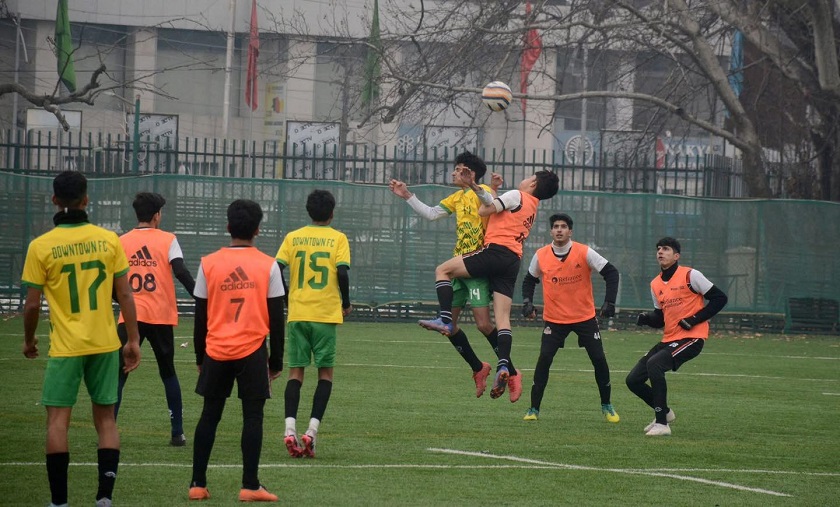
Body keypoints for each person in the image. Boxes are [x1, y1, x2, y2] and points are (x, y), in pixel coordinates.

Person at [21, 170, 142, 507]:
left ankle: (59, 501)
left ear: (54, 200)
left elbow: (32, 305)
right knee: (106, 419)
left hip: (66, 347)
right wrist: (132, 339)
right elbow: (126, 295)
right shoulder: (109, 240)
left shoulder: (41, 246)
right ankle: (104, 497)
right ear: (86, 199)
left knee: (58, 421)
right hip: (105, 344)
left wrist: (29, 340)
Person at [419, 169, 560, 403]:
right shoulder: (533, 206)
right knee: (502, 319)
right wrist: (489, 190)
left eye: (528, 177)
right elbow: (498, 207)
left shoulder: (517, 194)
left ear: (533, 183)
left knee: (442, 270)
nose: (524, 179)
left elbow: (485, 210)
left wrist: (477, 189)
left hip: (494, 252)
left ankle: (444, 318)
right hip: (513, 260)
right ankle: (504, 365)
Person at [389, 151, 511, 398]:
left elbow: (490, 200)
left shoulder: (483, 191)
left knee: (483, 324)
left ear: (470, 173)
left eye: (458, 169)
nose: (453, 173)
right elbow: (432, 213)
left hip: (477, 265)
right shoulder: (457, 197)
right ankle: (478, 368)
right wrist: (407, 195)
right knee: (449, 328)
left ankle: (510, 370)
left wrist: (479, 185)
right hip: (459, 264)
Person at [188, 199, 285, 502]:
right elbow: (277, 318)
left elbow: (200, 317)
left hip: (216, 350)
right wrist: (276, 361)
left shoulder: (208, 263)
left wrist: (200, 357)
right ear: (258, 229)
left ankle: (197, 484)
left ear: (228, 226)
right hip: (252, 350)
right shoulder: (268, 265)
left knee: (209, 415)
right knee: (253, 417)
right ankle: (250, 485)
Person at [520, 213, 620, 423]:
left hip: (584, 317)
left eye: (563, 226)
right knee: (544, 359)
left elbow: (612, 273)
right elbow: (529, 280)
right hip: (555, 319)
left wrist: (609, 302)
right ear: (550, 231)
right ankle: (533, 409)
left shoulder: (584, 252)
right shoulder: (541, 255)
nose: (559, 230)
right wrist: (527, 302)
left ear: (570, 231)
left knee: (599, 359)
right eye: (556, 226)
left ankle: (607, 405)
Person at [115, 192, 196, 447]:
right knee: (168, 372)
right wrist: (201, 296)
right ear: (156, 215)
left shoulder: (122, 241)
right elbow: (180, 271)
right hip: (160, 315)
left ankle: (107, 430)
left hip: (130, 316)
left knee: (119, 373)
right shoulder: (168, 239)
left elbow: (111, 281)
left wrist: (123, 301)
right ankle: (177, 433)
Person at [275, 189, 351, 458]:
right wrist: (346, 302)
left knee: (295, 373)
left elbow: (276, 268)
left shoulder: (293, 237)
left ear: (308, 211)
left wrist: (286, 296)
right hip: (325, 314)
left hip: (298, 313)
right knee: (325, 375)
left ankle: (289, 430)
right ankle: (311, 432)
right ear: (332, 213)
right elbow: (342, 272)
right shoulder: (338, 238)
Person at [627, 237, 728, 436]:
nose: (660, 252)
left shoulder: (691, 275)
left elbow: (720, 298)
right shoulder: (655, 284)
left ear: (676, 256)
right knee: (633, 380)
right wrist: (646, 319)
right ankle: (665, 412)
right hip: (669, 339)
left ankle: (662, 423)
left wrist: (694, 319)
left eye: (666, 249)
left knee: (655, 364)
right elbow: (660, 318)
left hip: (692, 338)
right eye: (658, 249)